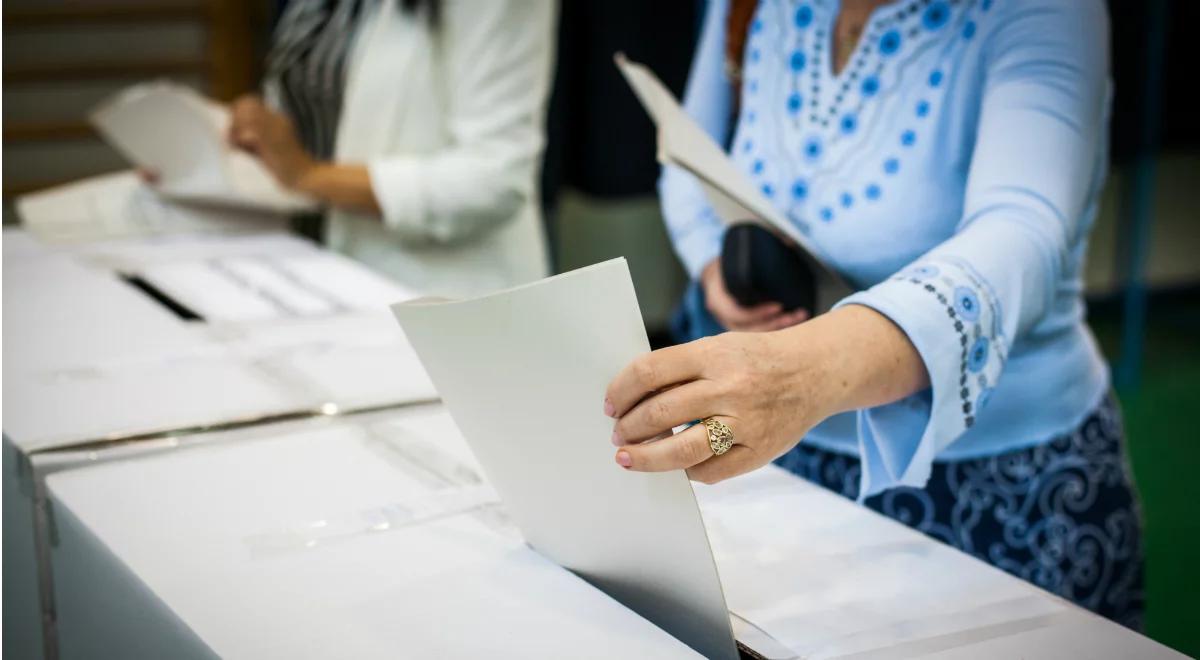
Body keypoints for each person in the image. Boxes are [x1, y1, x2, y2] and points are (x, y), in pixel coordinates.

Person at [605, 0, 1143, 628]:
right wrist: (714, 271)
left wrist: (801, 373)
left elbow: (1022, 231)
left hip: (995, 486)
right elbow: (688, 151)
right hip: (780, 465)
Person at [226, 0, 556, 298]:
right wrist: (264, 127)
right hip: (316, 268)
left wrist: (308, 175)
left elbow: (495, 180)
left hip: (442, 291)